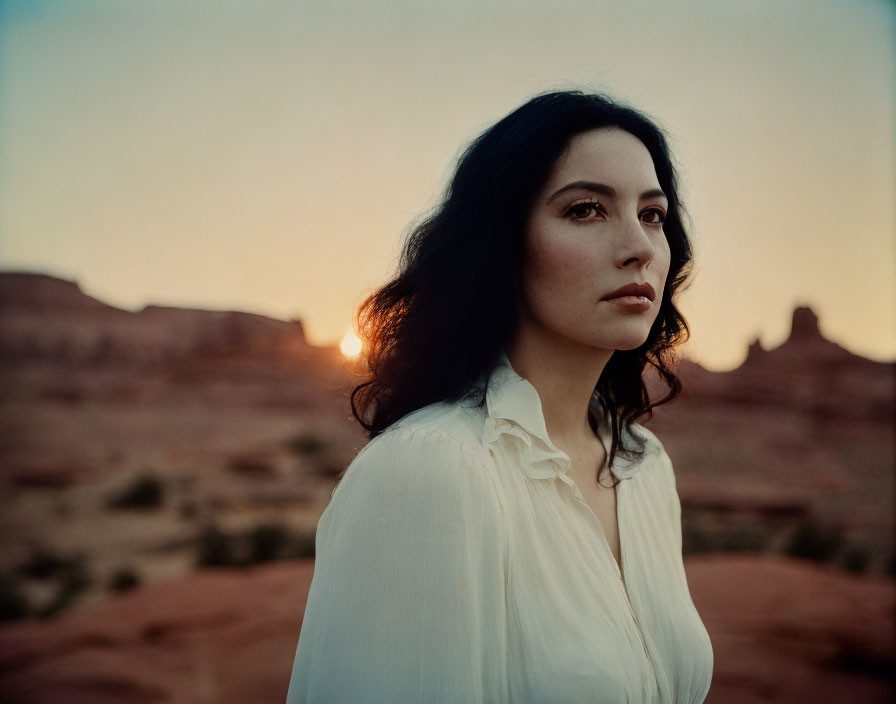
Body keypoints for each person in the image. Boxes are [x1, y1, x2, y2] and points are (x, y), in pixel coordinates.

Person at [285, 89, 713, 703]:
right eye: (587, 210)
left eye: (652, 214)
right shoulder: (429, 469)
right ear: (503, 245)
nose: (640, 247)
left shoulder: (643, 465)